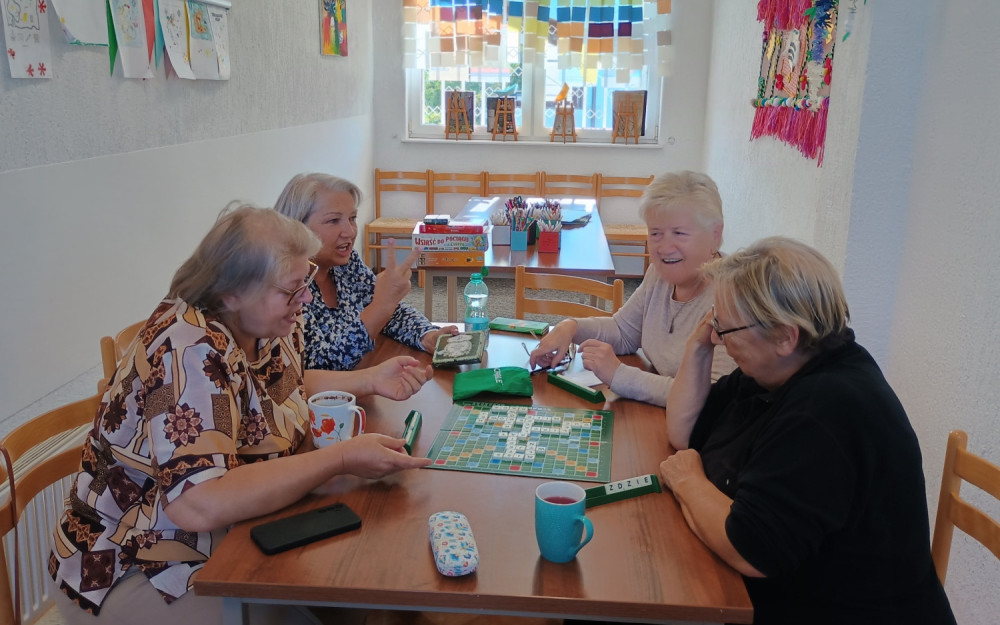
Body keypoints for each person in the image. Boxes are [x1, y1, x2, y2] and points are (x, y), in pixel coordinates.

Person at [51, 205, 433, 624]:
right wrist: (339, 459)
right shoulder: (187, 351)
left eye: (305, 280)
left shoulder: (263, 323)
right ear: (231, 293)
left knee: (363, 582)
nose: (305, 298)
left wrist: (369, 379)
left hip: (221, 533)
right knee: (343, 591)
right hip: (136, 563)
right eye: (291, 289)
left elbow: (283, 386)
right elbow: (198, 502)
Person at [659, 237, 955, 624]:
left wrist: (688, 482)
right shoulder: (779, 370)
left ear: (785, 336)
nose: (718, 336)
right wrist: (698, 347)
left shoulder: (827, 407)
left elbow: (749, 548)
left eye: (725, 327)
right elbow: (685, 432)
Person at [529, 170, 736, 406]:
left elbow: (712, 396)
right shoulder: (658, 274)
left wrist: (619, 374)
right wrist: (571, 327)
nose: (665, 247)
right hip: (660, 415)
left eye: (679, 233)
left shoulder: (731, 296)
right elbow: (623, 331)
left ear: (715, 235)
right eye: (656, 233)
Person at [274, 173, 458, 371]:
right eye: (334, 221)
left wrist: (427, 336)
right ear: (297, 227)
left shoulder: (347, 264)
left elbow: (391, 314)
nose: (350, 231)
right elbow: (319, 366)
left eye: (352, 218)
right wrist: (381, 306)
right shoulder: (287, 285)